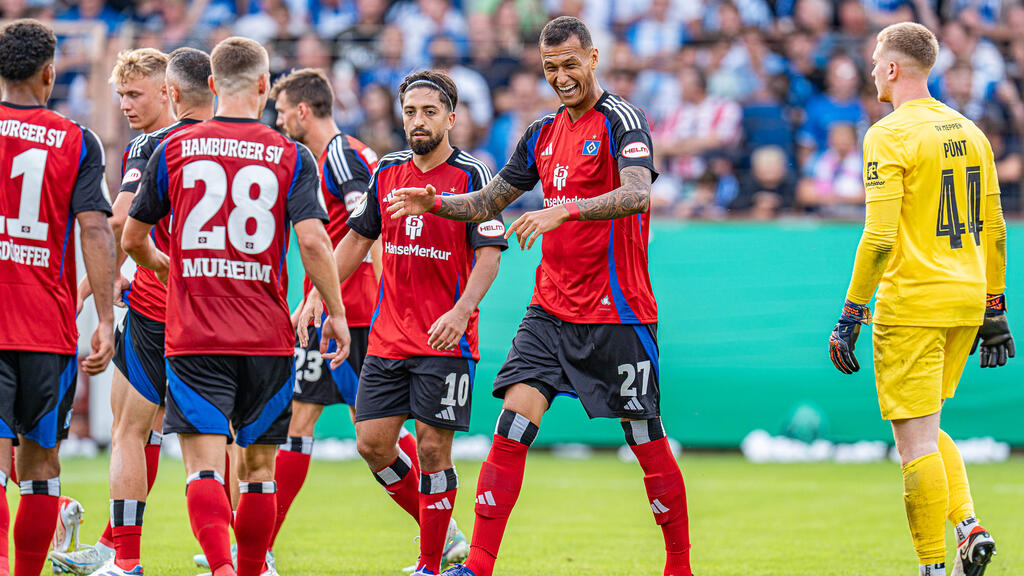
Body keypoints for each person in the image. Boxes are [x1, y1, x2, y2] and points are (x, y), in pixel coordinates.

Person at [388, 17, 693, 576]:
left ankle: (679, 566)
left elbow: (638, 194)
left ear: (593, 58)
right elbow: (487, 202)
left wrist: (564, 208)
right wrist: (436, 204)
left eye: (570, 64)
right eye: (550, 67)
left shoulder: (622, 119)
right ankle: (477, 564)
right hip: (550, 311)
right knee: (511, 425)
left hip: (617, 311)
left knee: (646, 438)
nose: (561, 76)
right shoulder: (541, 133)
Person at [121, 36, 348, 576]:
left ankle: (221, 569)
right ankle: (250, 569)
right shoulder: (290, 154)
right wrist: (336, 313)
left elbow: (131, 237)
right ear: (267, 87)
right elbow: (315, 242)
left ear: (214, 85)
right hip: (267, 337)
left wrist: (170, 270)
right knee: (260, 471)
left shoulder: (171, 149)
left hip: (196, 335)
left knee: (203, 467)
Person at [300, 69, 504, 575]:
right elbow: (354, 241)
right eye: (410, 111)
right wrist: (317, 299)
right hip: (390, 338)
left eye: (429, 112)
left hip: (445, 339)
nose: (418, 121)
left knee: (434, 449)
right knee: (371, 442)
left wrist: (462, 312)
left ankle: (429, 564)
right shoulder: (387, 170)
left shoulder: (473, 177)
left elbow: (489, 255)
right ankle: (445, 533)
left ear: (451, 118)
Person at [828, 22, 1013, 576]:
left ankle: (933, 566)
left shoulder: (888, 133)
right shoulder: (971, 132)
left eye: (874, 62)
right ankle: (968, 527)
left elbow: (880, 237)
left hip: (912, 302)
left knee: (913, 448)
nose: (870, 71)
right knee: (927, 430)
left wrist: (851, 313)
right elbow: (996, 228)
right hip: (966, 299)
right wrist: (995, 309)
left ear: (891, 68)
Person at [266, 67, 459, 570]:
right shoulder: (350, 155)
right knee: (344, 428)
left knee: (356, 430)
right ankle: (261, 545)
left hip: (350, 313)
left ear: (303, 110)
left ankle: (441, 530)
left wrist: (366, 303)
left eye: (283, 109)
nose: (280, 118)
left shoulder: (340, 156)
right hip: (340, 307)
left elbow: (368, 232)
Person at [51, 46, 216, 576]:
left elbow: (121, 222)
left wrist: (91, 286)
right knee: (200, 437)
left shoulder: (152, 145)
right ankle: (239, 554)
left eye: (135, 93)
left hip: (156, 308)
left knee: (129, 428)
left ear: (168, 91)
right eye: (120, 95)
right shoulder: (216, 142)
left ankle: (123, 558)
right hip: (214, 310)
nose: (125, 104)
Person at [0, 18, 116, 576]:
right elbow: (97, 230)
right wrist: (104, 320)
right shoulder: (78, 141)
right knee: (40, 462)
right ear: (50, 73)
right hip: (47, 328)